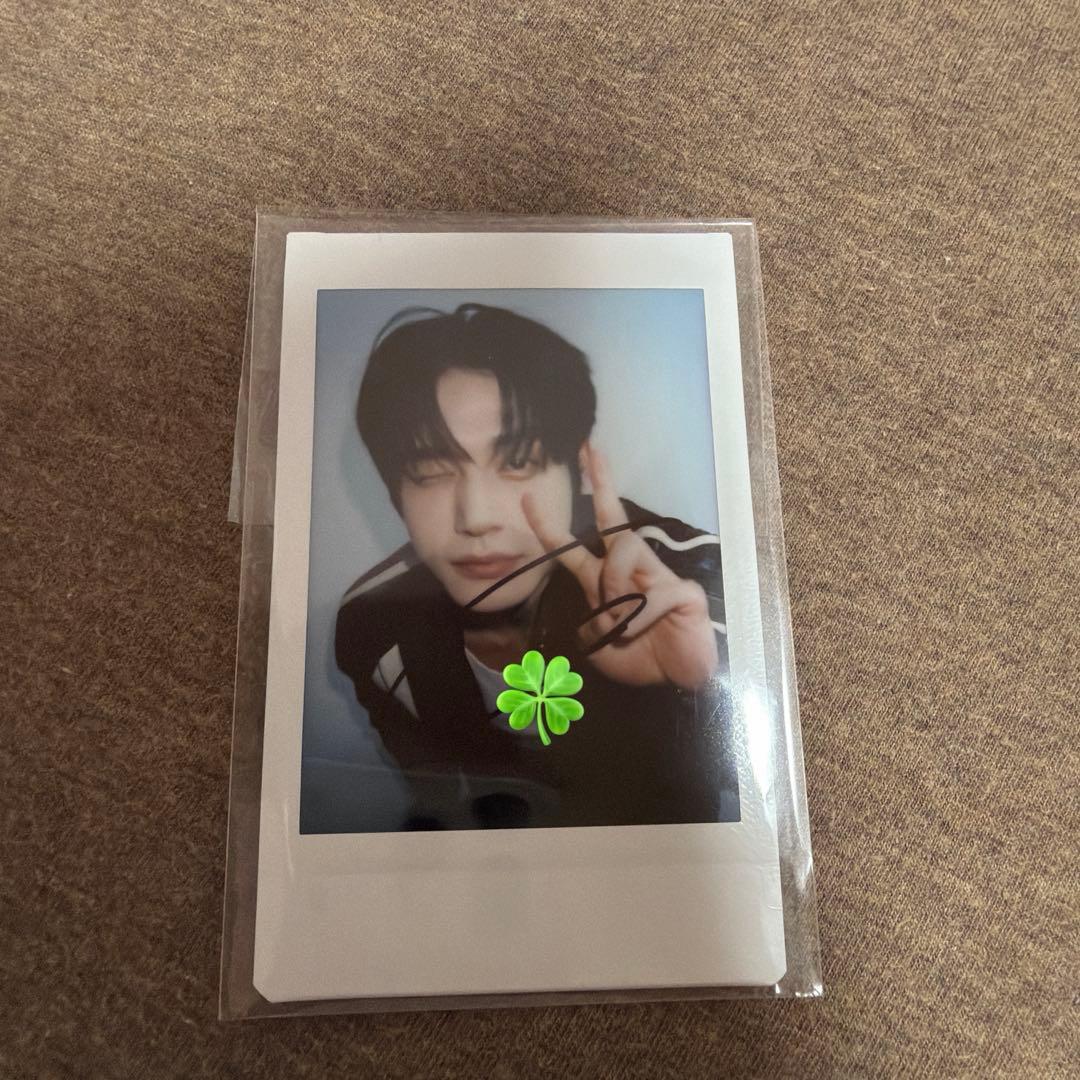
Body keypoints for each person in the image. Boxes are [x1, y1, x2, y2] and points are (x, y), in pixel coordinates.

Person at [334, 303, 739, 830]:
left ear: (577, 470)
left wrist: (700, 684)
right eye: (430, 470)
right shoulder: (373, 627)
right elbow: (434, 792)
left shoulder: (682, 571)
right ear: (395, 494)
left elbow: (771, 773)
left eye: (518, 461)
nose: (476, 518)